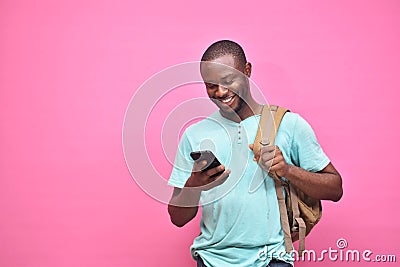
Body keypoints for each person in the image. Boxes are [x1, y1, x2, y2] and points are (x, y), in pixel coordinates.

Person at [167, 40, 343, 267]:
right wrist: (195, 184)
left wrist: (287, 170)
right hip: (211, 260)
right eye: (211, 85)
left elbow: (335, 188)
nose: (220, 92)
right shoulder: (195, 134)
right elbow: (177, 218)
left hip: (271, 260)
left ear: (247, 71)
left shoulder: (288, 125)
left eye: (228, 81)